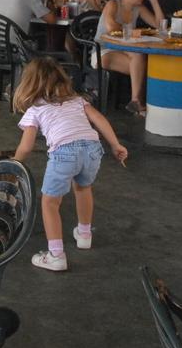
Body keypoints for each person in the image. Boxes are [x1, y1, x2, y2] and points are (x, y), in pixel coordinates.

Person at [12, 57, 128, 272]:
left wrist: (14, 164)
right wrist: (115, 144)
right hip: (93, 149)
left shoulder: (35, 109)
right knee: (83, 188)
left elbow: (26, 146)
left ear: (29, 83)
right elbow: (99, 119)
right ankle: (84, 234)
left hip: (64, 152)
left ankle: (56, 255)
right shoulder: (77, 101)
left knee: (49, 203)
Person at [97, 0, 165, 115]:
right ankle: (139, 103)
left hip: (127, 50)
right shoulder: (113, 4)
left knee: (141, 58)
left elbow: (160, 26)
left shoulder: (138, 8)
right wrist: (135, 32)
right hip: (104, 51)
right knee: (143, 66)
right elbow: (111, 27)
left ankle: (136, 102)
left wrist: (153, 1)